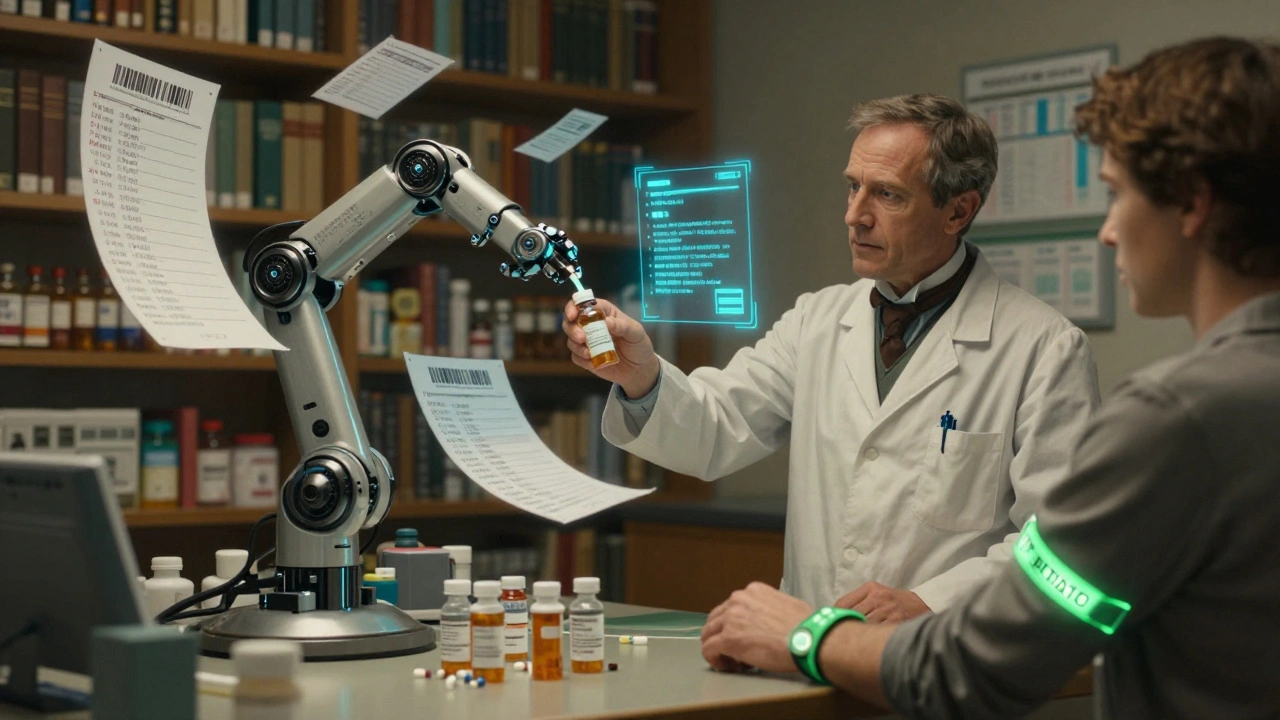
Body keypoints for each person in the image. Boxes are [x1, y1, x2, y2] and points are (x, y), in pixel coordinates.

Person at [698, 36, 1280, 719]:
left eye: (1116, 193)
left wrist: (804, 634)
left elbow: (983, 659)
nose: (1107, 231)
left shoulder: (1175, 419)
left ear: (1192, 204)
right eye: (853, 188)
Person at [563, 94, 1100, 618]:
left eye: (887, 195)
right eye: (853, 187)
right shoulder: (815, 321)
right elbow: (716, 429)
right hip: (809, 645)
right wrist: (642, 376)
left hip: (941, 652)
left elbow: (1060, 539)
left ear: (958, 211)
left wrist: (930, 603)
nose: (855, 215)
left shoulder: (1043, 349)